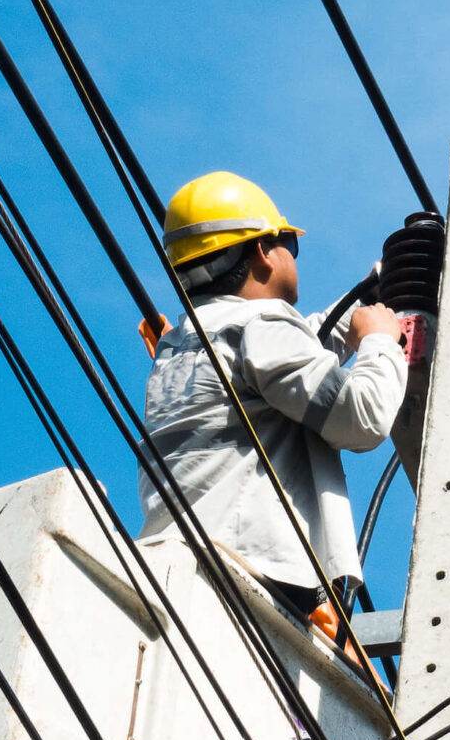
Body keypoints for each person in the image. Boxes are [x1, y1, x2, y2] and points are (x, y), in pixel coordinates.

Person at [140, 171, 405, 633]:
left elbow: (301, 351)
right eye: (289, 244)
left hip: (198, 558)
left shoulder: (184, 345)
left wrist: (366, 295)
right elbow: (361, 417)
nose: (291, 255)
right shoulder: (260, 329)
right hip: (259, 571)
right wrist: (380, 342)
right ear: (262, 250)